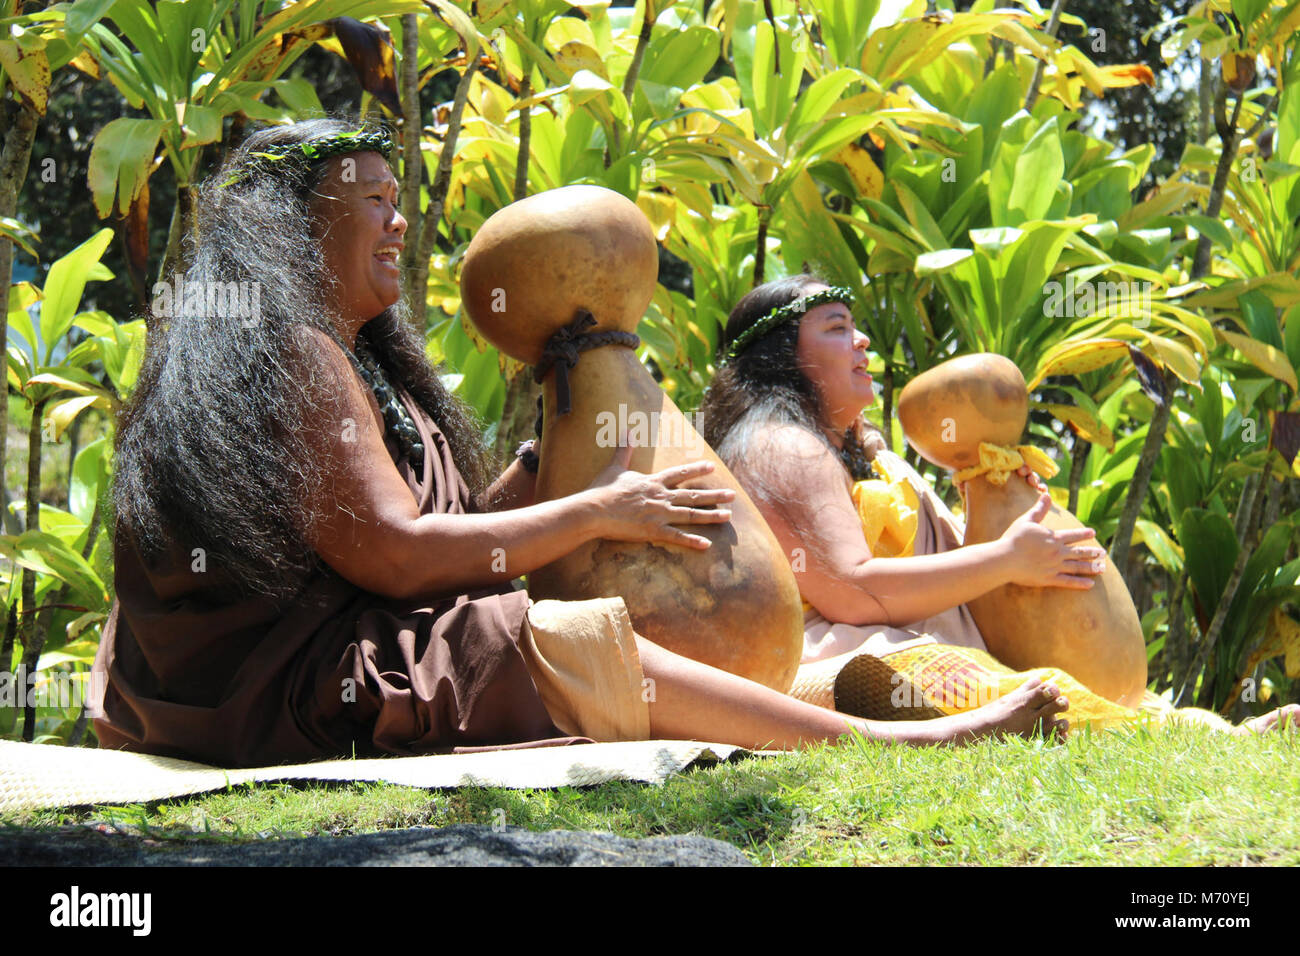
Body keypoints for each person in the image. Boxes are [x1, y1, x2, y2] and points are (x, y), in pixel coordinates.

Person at [91, 120, 1070, 769]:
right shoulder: (296, 351)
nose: (401, 221)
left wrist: (523, 494)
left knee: (521, 620)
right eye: (375, 199)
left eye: (401, 200)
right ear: (293, 223)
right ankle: (874, 743)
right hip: (280, 684)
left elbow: (403, 545)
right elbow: (391, 557)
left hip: (272, 670)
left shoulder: (348, 357)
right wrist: (599, 509)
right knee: (544, 637)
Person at [699, 275, 1300, 735]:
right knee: (1023, 693)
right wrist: (1007, 559)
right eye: (835, 327)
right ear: (783, 355)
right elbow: (854, 592)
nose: (860, 341)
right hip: (842, 655)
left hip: (894, 637)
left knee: (1082, 697)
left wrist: (995, 485)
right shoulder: (783, 447)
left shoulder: (856, 450)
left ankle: (1212, 733)